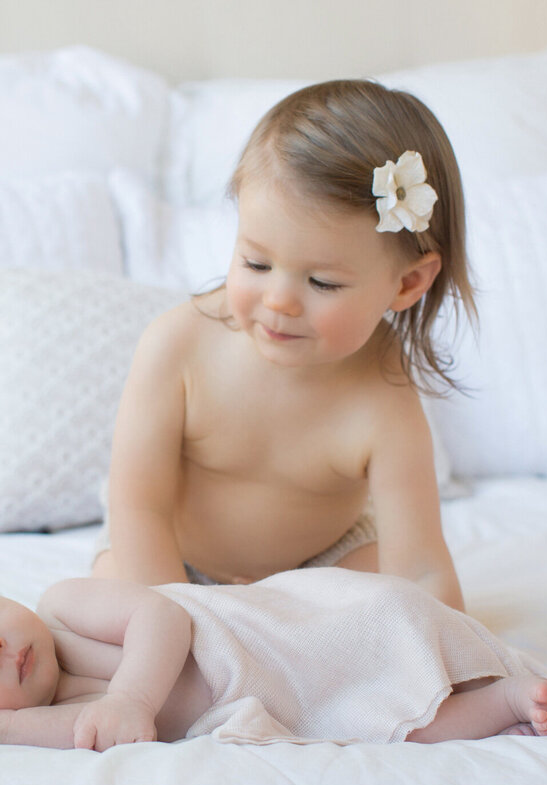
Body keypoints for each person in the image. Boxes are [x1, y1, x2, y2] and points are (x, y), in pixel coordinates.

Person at [91, 79, 475, 609]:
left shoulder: (384, 393)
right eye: (256, 263)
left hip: (320, 560)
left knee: (392, 603)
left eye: (323, 283)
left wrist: (462, 667)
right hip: (168, 555)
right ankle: (231, 633)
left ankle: (280, 632)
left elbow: (423, 568)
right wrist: (180, 623)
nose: (280, 301)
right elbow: (139, 509)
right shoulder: (177, 347)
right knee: (100, 603)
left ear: (407, 283)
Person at [0, 571, 547, 749]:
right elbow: (74, 736)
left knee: (378, 624)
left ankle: (474, 662)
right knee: (398, 727)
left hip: (278, 634)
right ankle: (502, 703)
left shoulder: (65, 607)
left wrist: (134, 700)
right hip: (284, 699)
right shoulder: (52, 718)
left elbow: (162, 614)